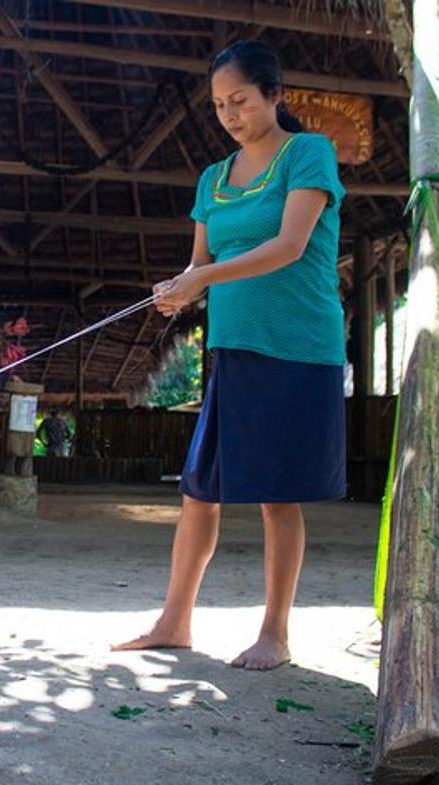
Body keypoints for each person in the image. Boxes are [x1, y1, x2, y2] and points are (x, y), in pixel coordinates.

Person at [113, 41, 346, 670]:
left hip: (297, 347)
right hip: (232, 349)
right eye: (220, 106)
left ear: (274, 94)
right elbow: (201, 263)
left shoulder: (309, 153)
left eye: (240, 100)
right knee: (199, 489)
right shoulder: (213, 179)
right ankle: (175, 620)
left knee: (278, 496)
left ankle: (276, 633)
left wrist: (201, 282)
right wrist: (178, 288)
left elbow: (288, 246)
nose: (231, 114)